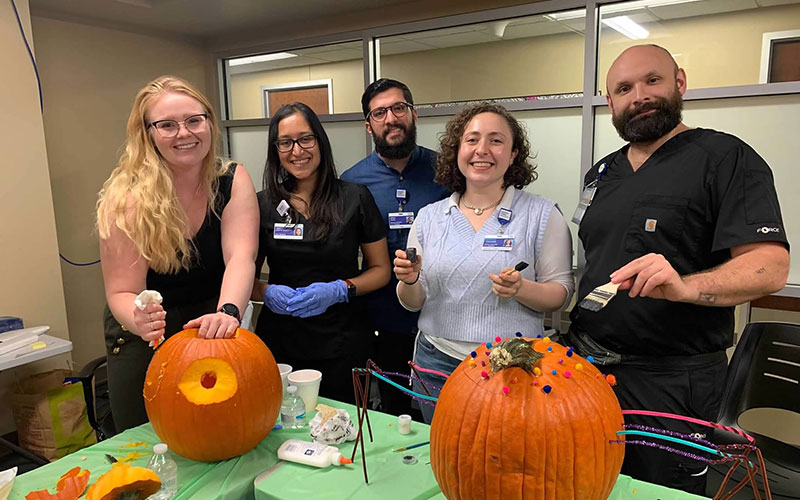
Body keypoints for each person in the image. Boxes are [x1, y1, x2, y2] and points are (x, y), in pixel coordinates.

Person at [566, 44, 790, 494]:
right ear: (610, 103)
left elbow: (770, 267)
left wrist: (684, 286)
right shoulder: (601, 174)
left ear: (680, 83)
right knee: (587, 483)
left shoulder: (724, 158)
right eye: (624, 89)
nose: (640, 96)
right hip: (587, 370)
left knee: (662, 491)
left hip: (672, 384)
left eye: (653, 80)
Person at [393, 102, 575, 423]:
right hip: (436, 362)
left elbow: (561, 293)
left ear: (513, 154)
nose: (482, 150)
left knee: (507, 449)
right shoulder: (429, 218)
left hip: (512, 364)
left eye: (496, 140)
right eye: (472, 139)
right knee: (441, 448)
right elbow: (413, 302)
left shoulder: (542, 215)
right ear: (457, 150)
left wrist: (521, 289)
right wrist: (409, 280)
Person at [97, 75, 259, 432]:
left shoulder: (232, 180)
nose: (184, 133)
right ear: (148, 133)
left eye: (193, 120)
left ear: (209, 123)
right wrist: (139, 320)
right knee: (144, 434)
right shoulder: (126, 198)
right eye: (167, 125)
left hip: (210, 317)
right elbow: (122, 291)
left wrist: (228, 311)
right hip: (145, 328)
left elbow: (240, 257)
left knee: (219, 427)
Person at [252, 102, 390, 405]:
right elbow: (243, 278)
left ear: (320, 140)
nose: (297, 151)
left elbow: (381, 270)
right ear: (275, 150)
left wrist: (340, 289)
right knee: (283, 422)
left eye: (305, 139)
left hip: (343, 341)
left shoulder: (355, 197)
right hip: (281, 340)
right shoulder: (261, 204)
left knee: (343, 424)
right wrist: (267, 292)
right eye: (285, 142)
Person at [340, 79, 450, 416]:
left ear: (414, 114)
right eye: (379, 113)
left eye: (399, 108)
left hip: (442, 318)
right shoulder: (352, 182)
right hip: (383, 320)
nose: (391, 119)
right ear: (368, 125)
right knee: (395, 411)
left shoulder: (448, 172)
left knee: (445, 412)